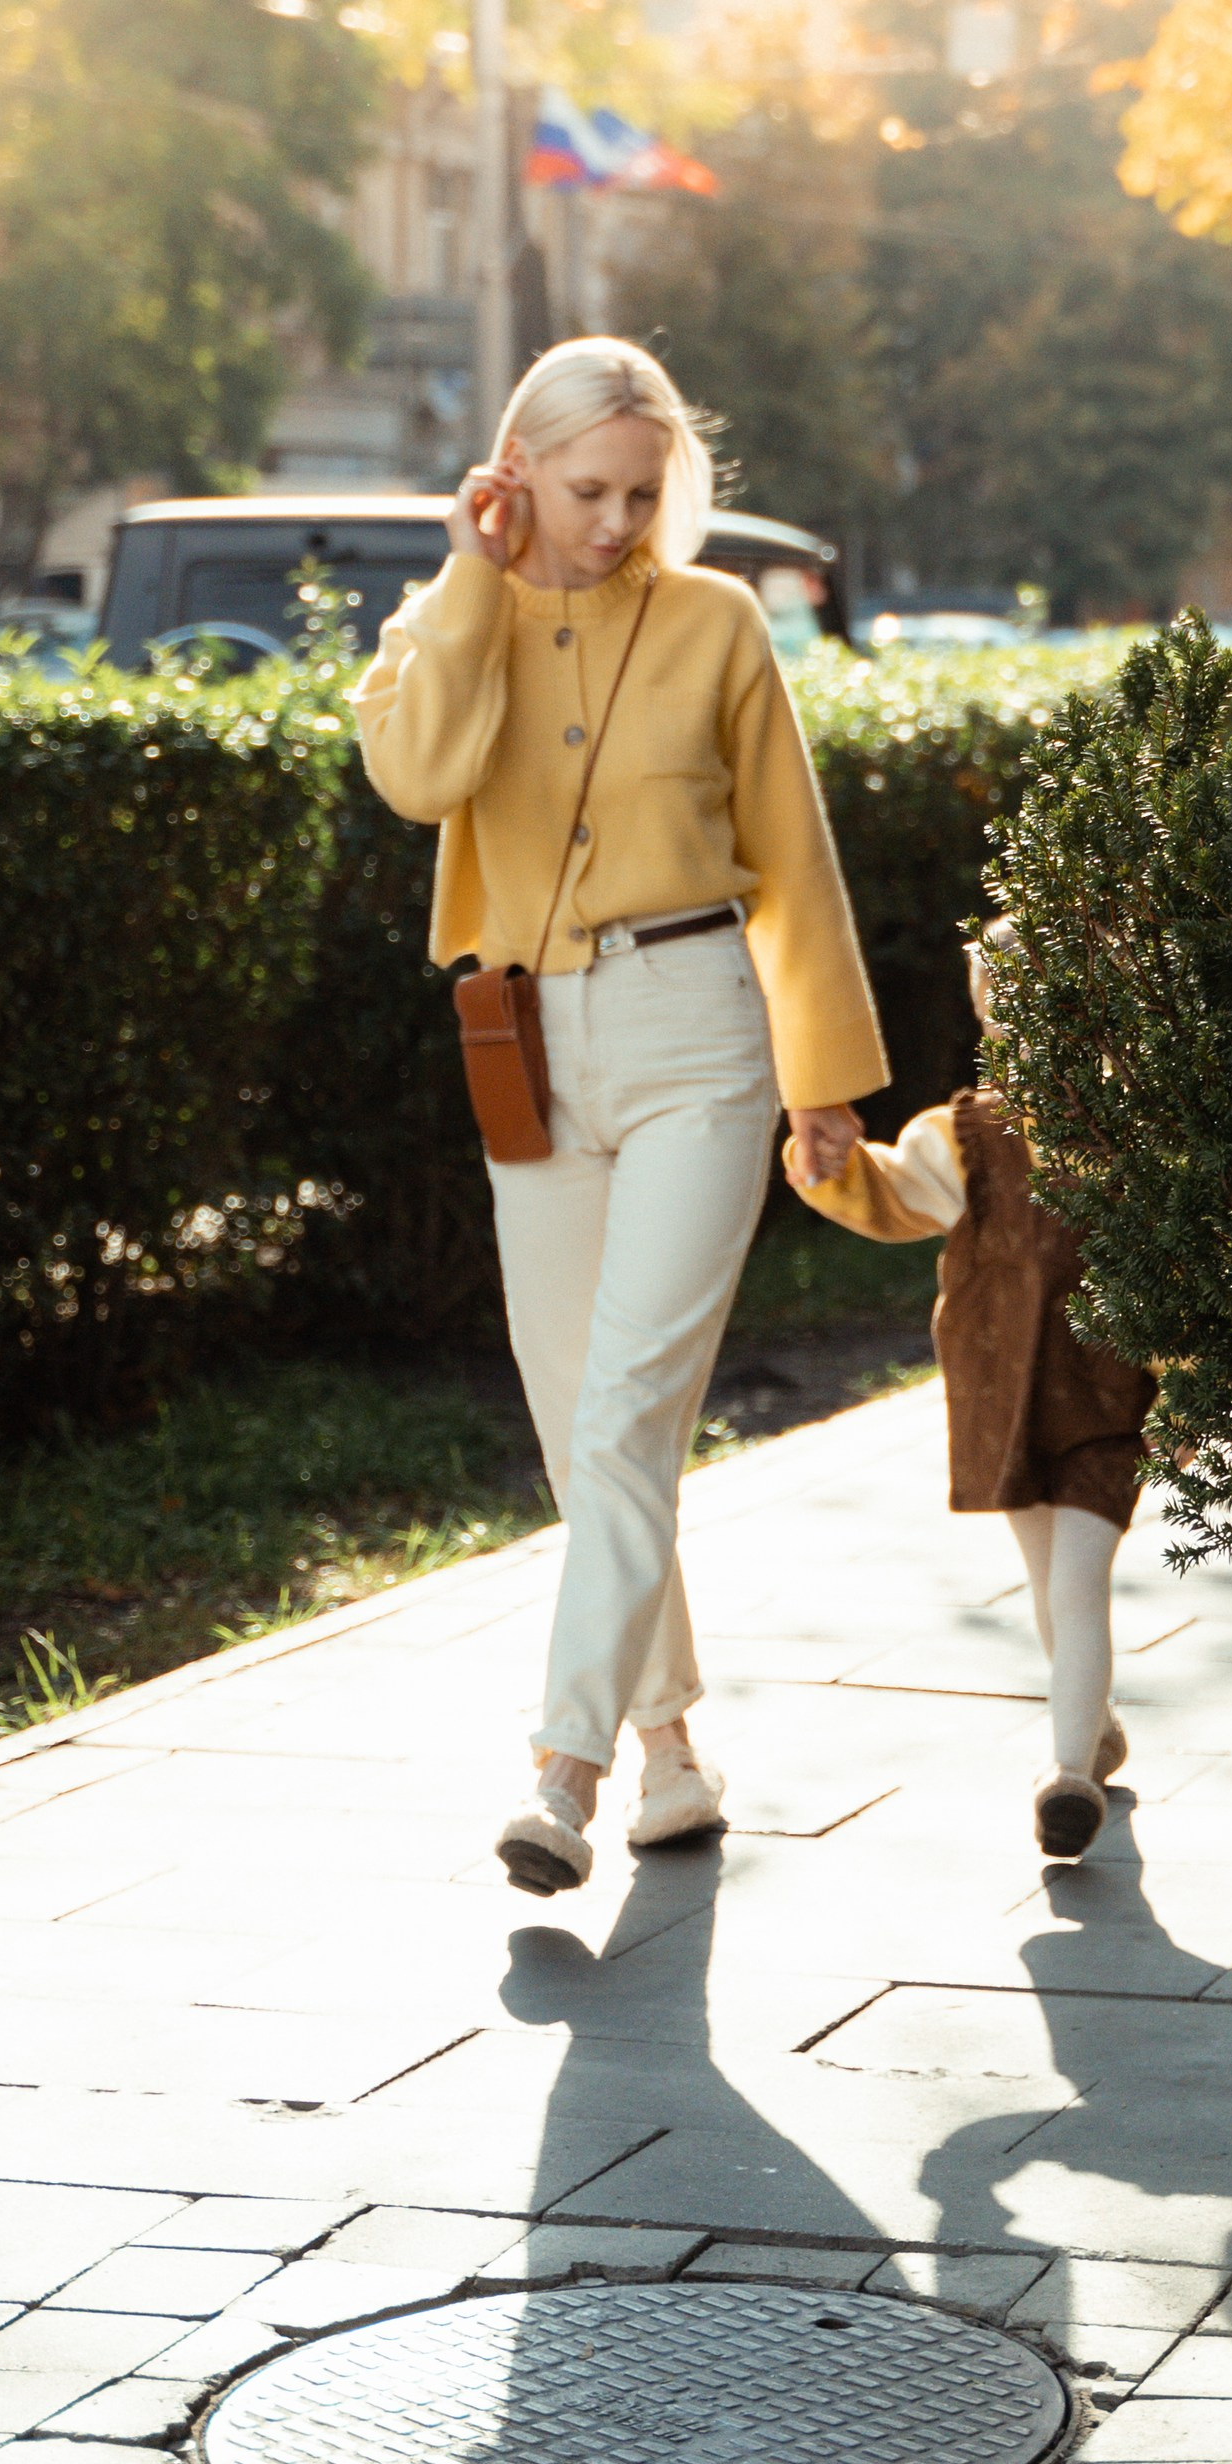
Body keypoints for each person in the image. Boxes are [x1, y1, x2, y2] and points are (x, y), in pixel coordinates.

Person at [355, 335, 882, 1894]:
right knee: (580, 1412)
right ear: (517, 475)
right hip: (528, 1044)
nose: (616, 521)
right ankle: (670, 1750)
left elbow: (794, 857)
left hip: (701, 1035)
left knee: (635, 1403)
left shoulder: (716, 621)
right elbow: (416, 773)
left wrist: (824, 1081)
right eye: (589, 490)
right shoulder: (452, 624)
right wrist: (469, 579)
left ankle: (562, 1770)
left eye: (644, 493)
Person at [783, 930, 1156, 1859]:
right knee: (1049, 1586)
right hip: (1005, 1395)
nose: (1031, 1023)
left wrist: (1191, 1387)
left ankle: (1069, 1778)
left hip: (1105, 1401)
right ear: (986, 1016)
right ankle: (1095, 1726)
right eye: (1008, 1003)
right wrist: (837, 1167)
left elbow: (1186, 1266)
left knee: (1077, 1583)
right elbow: (894, 1192)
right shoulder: (963, 1138)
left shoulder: (1137, 1132)